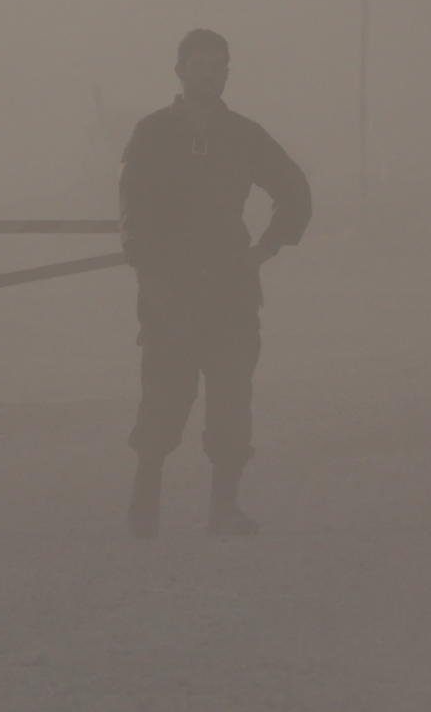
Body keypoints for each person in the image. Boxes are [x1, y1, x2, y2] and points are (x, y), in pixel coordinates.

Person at [118, 27, 311, 537]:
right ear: (179, 69)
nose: (212, 73)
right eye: (201, 64)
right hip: (170, 293)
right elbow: (133, 215)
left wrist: (263, 250)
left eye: (220, 65)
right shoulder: (153, 133)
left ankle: (224, 509)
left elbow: (294, 191)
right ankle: (144, 507)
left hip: (230, 291)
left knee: (231, 405)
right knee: (162, 402)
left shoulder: (244, 135)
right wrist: (150, 277)